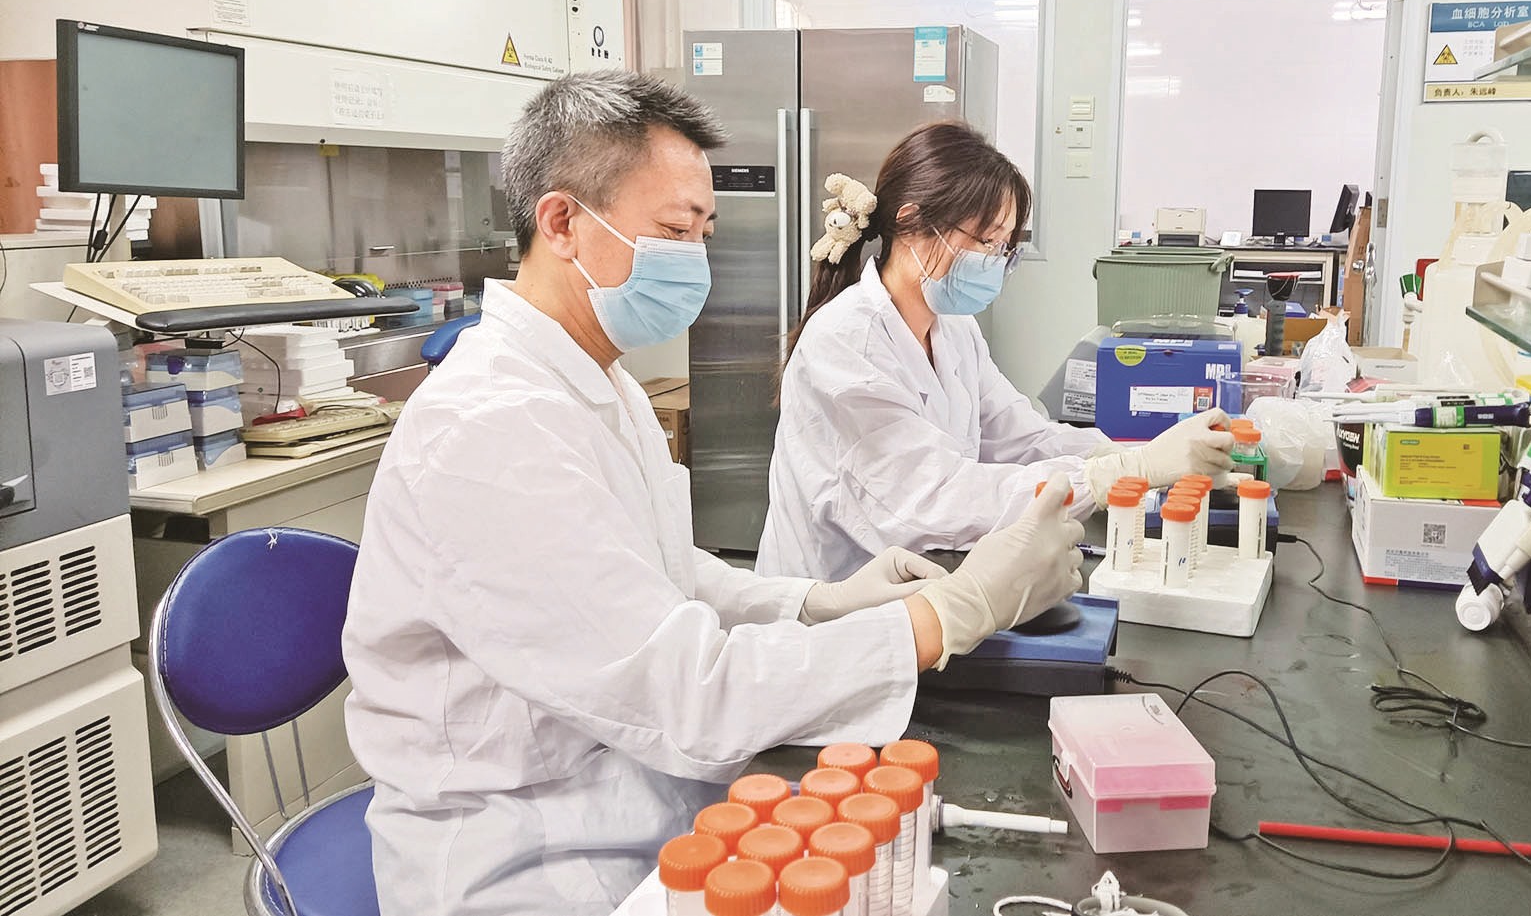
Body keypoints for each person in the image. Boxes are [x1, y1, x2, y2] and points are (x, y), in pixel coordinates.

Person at [340, 72, 1084, 916]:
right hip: (531, 861)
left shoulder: (595, 382)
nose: (695, 258)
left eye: (703, 232)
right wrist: (944, 616)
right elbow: (688, 692)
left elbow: (662, 569)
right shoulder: (488, 428)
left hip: (642, 804)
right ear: (562, 222)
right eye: (673, 230)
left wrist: (815, 602)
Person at [759, 121, 1231, 582]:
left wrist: (1140, 457)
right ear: (911, 221)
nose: (994, 261)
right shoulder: (846, 343)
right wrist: (1120, 474)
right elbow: (930, 499)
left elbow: (1021, 438)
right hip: (832, 603)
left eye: (1005, 247)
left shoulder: (954, 329)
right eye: (986, 240)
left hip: (920, 587)